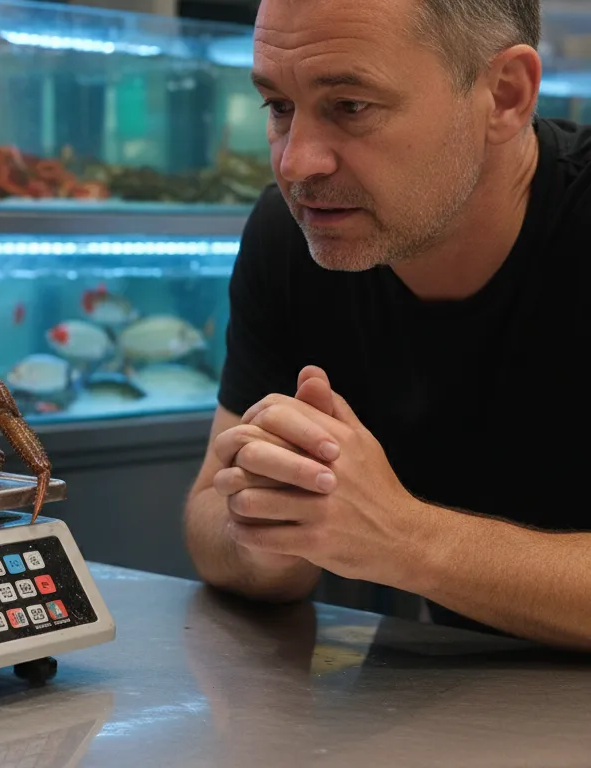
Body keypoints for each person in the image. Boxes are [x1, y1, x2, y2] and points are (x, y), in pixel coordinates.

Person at [183, 0, 591, 650]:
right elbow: (211, 512)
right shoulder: (291, 240)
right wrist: (269, 524)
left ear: (505, 95)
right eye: (278, 108)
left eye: (351, 106)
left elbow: (397, 541)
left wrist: (404, 541)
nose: (296, 164)